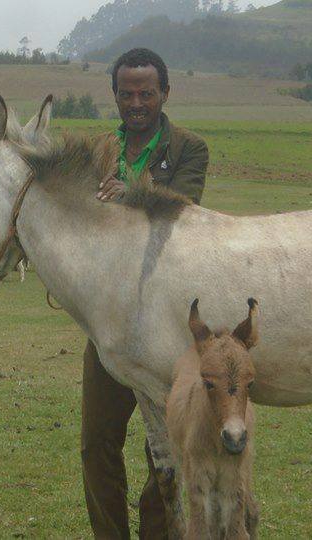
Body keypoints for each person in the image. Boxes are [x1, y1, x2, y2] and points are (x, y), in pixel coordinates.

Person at [82, 47, 209, 539]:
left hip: (165, 323)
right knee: (97, 443)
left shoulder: (188, 148)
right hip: (108, 323)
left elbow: (183, 209)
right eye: (127, 93)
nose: (136, 103)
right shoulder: (96, 152)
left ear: (165, 94)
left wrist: (127, 196)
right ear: (115, 95)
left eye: (146, 93)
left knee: (167, 445)